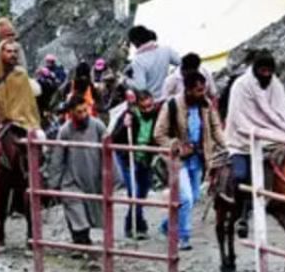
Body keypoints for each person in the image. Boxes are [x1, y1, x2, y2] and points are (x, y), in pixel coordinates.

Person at [224, 52, 285, 235]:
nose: (266, 75)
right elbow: (238, 118)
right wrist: (256, 133)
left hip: (270, 135)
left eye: (269, 71)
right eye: (262, 71)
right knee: (241, 175)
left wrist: (280, 133)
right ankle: (241, 215)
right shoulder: (241, 86)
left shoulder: (275, 85)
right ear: (255, 70)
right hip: (242, 140)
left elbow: (281, 113)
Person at [154, 71, 225, 251]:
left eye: (204, 89)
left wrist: (226, 146)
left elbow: (215, 128)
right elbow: (159, 133)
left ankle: (166, 225)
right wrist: (176, 145)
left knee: (191, 198)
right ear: (188, 90)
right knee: (185, 198)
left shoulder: (206, 105)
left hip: (199, 159)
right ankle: (182, 236)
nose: (202, 93)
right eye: (198, 90)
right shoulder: (172, 105)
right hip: (178, 160)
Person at [46, 102, 106, 249]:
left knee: (90, 211)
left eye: (85, 110)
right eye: (79, 112)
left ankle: (84, 241)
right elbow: (58, 158)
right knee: (75, 210)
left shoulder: (98, 126)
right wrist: (54, 182)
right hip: (71, 179)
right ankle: (80, 242)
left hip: (92, 176)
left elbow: (108, 153)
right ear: (71, 113)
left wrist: (110, 178)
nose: (83, 115)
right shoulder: (65, 130)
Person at [111, 89, 158, 240]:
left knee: (142, 194)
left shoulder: (157, 117)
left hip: (146, 159)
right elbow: (114, 138)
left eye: (150, 106)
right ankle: (136, 226)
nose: (147, 110)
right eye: (143, 107)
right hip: (128, 159)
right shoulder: (128, 115)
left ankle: (134, 222)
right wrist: (125, 126)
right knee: (135, 194)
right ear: (138, 105)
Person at [128, 26, 181, 99]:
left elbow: (141, 87)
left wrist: (127, 81)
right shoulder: (166, 50)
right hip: (170, 97)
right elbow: (182, 63)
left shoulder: (137, 60)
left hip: (153, 102)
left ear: (135, 42)